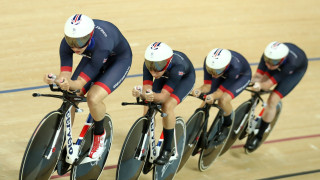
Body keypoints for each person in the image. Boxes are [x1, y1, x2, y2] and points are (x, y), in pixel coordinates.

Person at [43, 14, 132, 159]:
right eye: (71, 41)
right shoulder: (66, 43)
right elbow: (65, 76)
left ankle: (99, 135)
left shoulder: (102, 45)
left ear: (90, 36)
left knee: (93, 98)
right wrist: (56, 80)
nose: (75, 46)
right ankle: (61, 141)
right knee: (71, 96)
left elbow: (78, 83)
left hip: (118, 61)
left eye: (80, 41)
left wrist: (68, 83)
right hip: (92, 56)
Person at [132, 42, 195, 165]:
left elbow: (162, 97)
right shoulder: (149, 65)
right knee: (147, 106)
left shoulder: (178, 66)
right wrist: (140, 93)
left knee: (167, 106)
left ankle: (167, 149)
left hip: (183, 79)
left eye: (158, 67)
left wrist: (150, 95)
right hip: (165, 76)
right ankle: (147, 141)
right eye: (151, 66)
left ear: (167, 62)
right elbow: (147, 90)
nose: (153, 72)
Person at [246, 41, 308, 151]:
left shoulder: (291, 64)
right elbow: (258, 76)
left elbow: (267, 85)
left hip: (295, 72)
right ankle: (250, 110)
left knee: (272, 100)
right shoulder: (268, 56)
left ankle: (259, 136)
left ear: (282, 60)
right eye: (267, 61)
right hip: (282, 61)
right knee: (257, 83)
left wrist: (260, 85)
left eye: (272, 62)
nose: (268, 65)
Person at [192, 48, 252, 143]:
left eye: (217, 70)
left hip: (240, 77)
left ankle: (226, 125)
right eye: (211, 70)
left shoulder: (235, 67)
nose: (213, 74)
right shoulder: (210, 63)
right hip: (224, 73)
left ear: (225, 66)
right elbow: (207, 86)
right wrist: (199, 90)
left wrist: (212, 96)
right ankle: (195, 129)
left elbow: (219, 93)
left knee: (223, 100)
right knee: (205, 102)